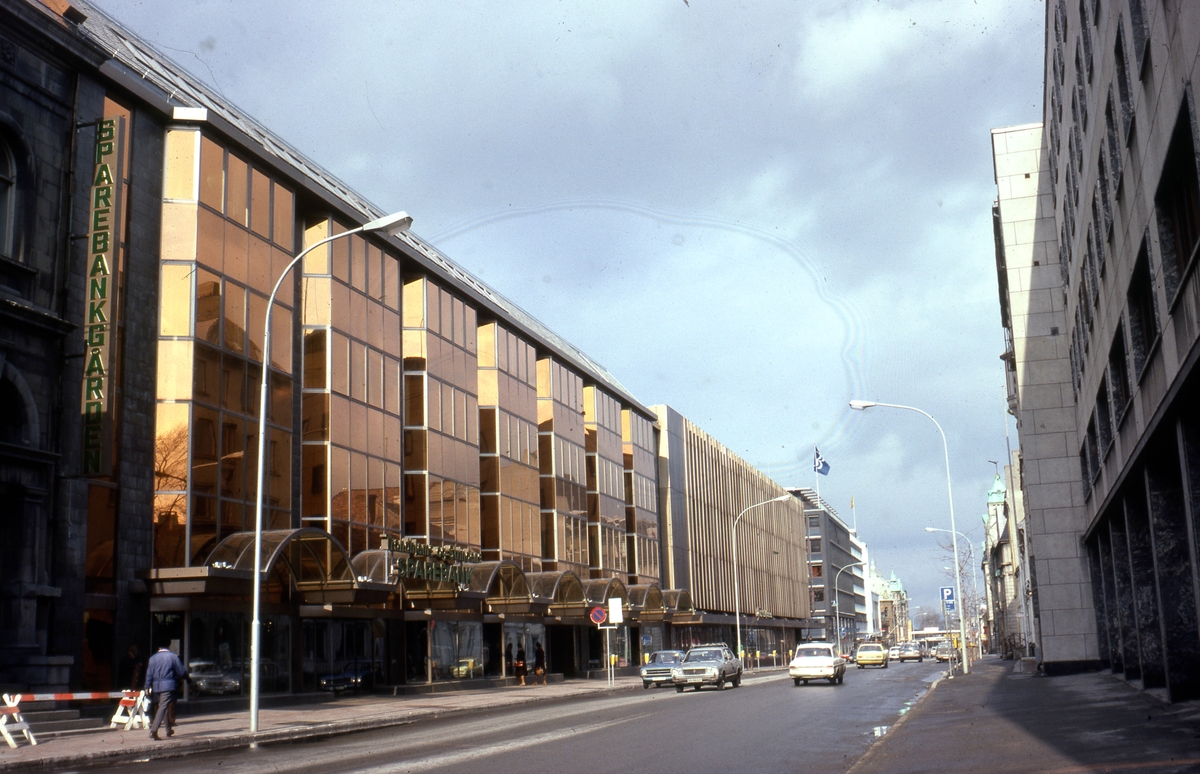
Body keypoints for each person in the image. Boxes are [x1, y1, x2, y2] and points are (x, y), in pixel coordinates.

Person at [144, 643, 188, 741]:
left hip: (156, 686)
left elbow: (149, 674)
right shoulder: (173, 657)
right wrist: (187, 679)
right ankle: (154, 730)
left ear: (159, 647)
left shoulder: (153, 658)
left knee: (163, 705)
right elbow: (181, 671)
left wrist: (147, 686)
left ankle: (168, 729)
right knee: (163, 706)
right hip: (168, 685)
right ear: (169, 646)